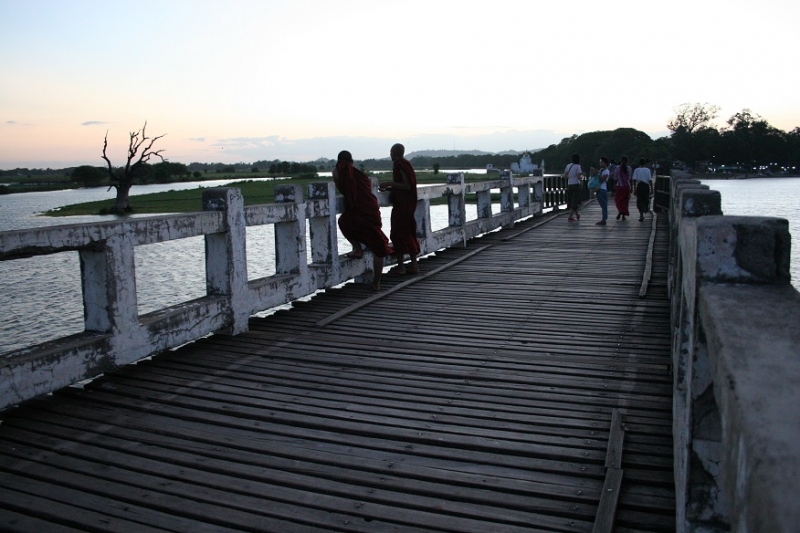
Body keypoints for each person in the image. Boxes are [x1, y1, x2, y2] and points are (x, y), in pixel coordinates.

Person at [332, 150, 393, 290]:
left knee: (343, 222)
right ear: (351, 161)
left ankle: (357, 248)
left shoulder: (336, 171)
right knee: (378, 246)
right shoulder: (358, 173)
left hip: (356, 209)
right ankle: (376, 282)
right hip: (369, 207)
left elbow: (343, 189)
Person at [379, 143, 420, 275]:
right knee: (408, 232)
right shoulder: (405, 164)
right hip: (406, 203)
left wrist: (389, 183)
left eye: (391, 152)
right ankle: (413, 265)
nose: (390, 154)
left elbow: (407, 186)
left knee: (398, 233)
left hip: (403, 205)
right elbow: (405, 185)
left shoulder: (400, 164)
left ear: (396, 153)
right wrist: (391, 188)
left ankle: (401, 267)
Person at [590, 156, 611, 225]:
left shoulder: (606, 171)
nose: (600, 163)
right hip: (599, 189)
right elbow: (593, 176)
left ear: (605, 163)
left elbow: (602, 179)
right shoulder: (601, 170)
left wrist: (597, 172)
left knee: (604, 205)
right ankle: (603, 218)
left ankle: (604, 219)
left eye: (601, 162)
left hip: (602, 189)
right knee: (602, 204)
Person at [564, 153, 584, 222]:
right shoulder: (578, 166)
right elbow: (579, 176)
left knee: (573, 199)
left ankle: (577, 214)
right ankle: (570, 216)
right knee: (574, 200)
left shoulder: (568, 165)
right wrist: (582, 177)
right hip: (576, 184)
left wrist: (570, 177)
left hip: (569, 184)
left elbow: (565, 176)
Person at [613, 155, 632, 220]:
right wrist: (631, 187)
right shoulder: (629, 168)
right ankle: (623, 216)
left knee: (618, 200)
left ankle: (620, 210)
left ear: (621, 160)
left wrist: (614, 185)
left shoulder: (617, 168)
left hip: (619, 186)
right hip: (626, 186)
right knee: (625, 201)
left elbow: (615, 177)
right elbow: (630, 178)